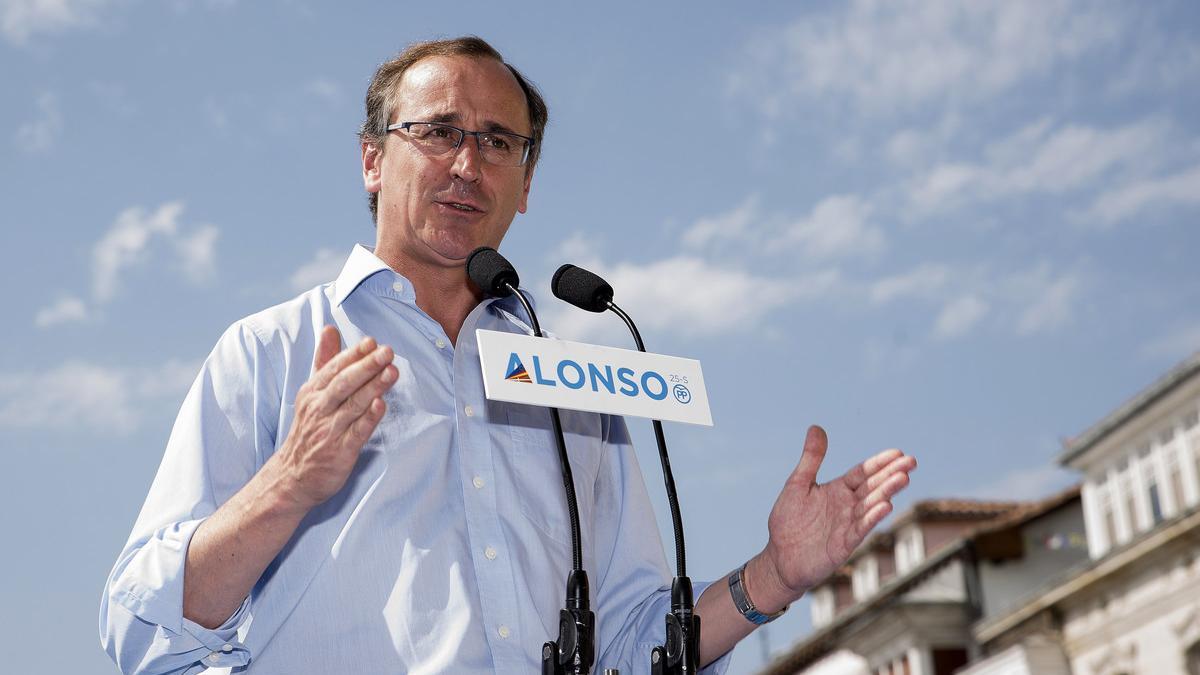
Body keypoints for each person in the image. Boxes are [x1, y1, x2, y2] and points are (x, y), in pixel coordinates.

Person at [100, 36, 915, 674]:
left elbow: (632, 645)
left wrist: (773, 573)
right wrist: (288, 483)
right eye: (440, 132)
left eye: (499, 142)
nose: (467, 163)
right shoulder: (270, 350)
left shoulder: (578, 388)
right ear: (373, 159)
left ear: (526, 184)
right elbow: (138, 624)